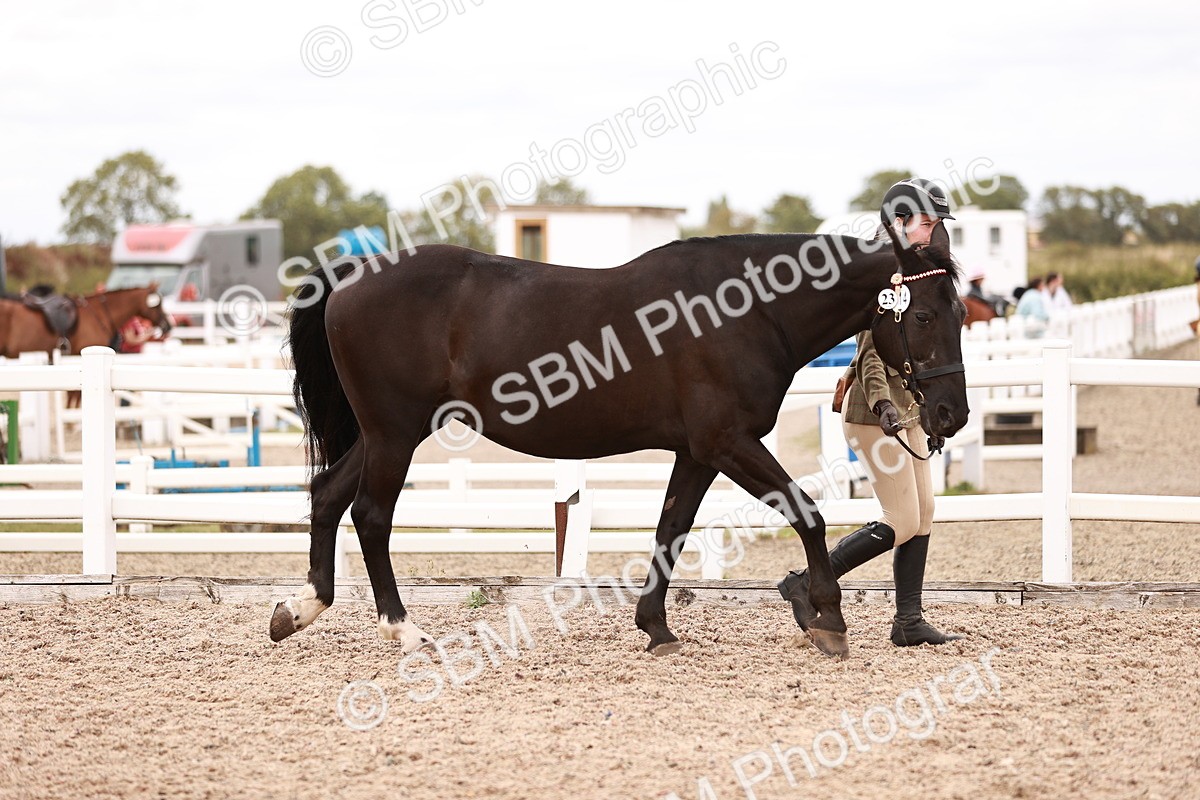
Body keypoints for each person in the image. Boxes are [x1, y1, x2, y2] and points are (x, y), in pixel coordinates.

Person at [778, 177, 962, 648]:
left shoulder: (920, 273)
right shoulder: (884, 273)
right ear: (899, 223)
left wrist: (928, 412)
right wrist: (883, 404)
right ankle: (807, 580)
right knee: (900, 517)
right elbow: (870, 354)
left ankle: (908, 620)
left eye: (937, 223)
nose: (935, 231)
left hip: (910, 410)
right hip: (874, 411)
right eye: (927, 223)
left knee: (923, 516)